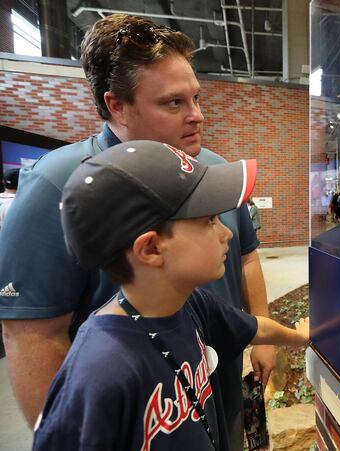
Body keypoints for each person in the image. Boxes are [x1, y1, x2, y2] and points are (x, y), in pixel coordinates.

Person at [0, 14, 275, 448]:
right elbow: (32, 333)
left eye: (196, 99)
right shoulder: (59, 185)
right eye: (173, 103)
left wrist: (263, 334)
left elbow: (246, 255)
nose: (197, 117)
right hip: (143, 422)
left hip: (215, 398)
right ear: (117, 105)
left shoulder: (219, 173)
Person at [32, 140, 309, 450]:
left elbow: (255, 327)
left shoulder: (192, 305)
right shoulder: (98, 373)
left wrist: (299, 337)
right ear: (151, 248)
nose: (227, 233)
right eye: (209, 221)